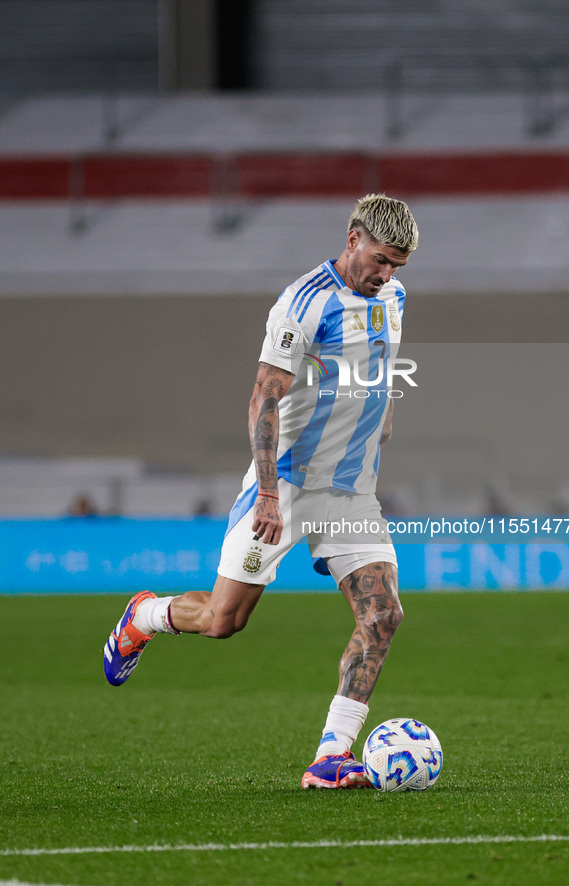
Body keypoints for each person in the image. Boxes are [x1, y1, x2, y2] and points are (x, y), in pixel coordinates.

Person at [103, 193, 419, 789]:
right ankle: (144, 615)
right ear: (353, 239)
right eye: (380, 260)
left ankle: (331, 755)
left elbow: (378, 375)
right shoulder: (303, 303)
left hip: (351, 494)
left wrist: (380, 433)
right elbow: (264, 397)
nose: (387, 275)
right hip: (287, 487)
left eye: (398, 266)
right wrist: (269, 493)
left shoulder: (394, 298)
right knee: (225, 621)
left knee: (383, 615)